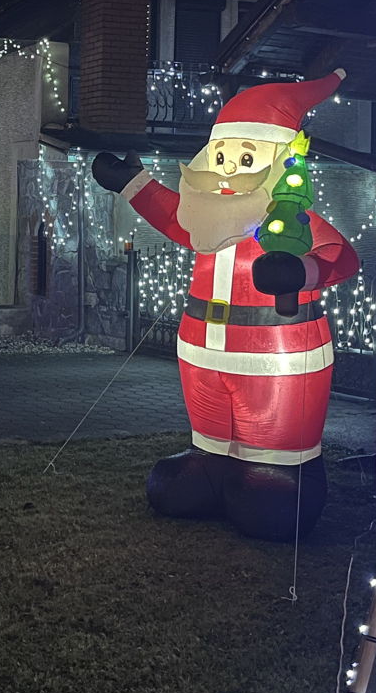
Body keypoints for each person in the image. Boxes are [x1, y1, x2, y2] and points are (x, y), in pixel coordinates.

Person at [92, 70, 358, 540]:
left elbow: (342, 257)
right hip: (202, 354)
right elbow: (173, 215)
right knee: (205, 449)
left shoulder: (291, 222)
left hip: (276, 359)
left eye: (246, 157)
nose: (229, 170)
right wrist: (131, 182)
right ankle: (210, 463)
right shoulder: (206, 220)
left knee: (269, 492)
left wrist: (301, 271)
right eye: (221, 156)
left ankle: (278, 474)